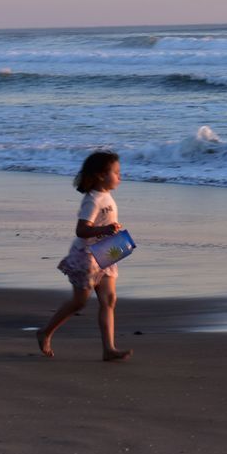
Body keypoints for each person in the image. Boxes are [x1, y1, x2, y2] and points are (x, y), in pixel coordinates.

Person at [36, 150, 132, 361]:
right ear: (100, 175)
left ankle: (109, 349)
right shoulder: (93, 200)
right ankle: (46, 332)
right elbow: (81, 230)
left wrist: (110, 230)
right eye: (116, 172)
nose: (120, 176)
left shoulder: (106, 195)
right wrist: (104, 231)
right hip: (88, 256)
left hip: (106, 251)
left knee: (109, 299)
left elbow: (102, 224)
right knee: (79, 302)